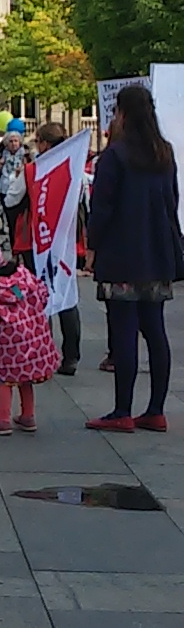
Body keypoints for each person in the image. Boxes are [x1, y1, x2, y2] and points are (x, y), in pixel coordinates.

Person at [85, 84, 179, 433]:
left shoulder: (116, 155)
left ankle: (122, 410)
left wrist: (92, 248)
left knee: (122, 328)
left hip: (122, 253)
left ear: (122, 114)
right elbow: (173, 202)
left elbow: (102, 208)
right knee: (155, 329)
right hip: (157, 253)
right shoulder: (164, 153)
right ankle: (155, 409)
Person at [5, 122, 82, 375]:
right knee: (66, 294)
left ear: (46, 144)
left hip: (35, 240)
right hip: (65, 239)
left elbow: (11, 198)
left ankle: (44, 353)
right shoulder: (74, 167)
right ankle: (71, 356)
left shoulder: (32, 171)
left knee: (39, 295)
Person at [0, 239, 60, 436]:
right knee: (25, 377)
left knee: (5, 380)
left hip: (7, 342)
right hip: (33, 335)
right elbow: (42, 294)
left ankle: (3, 420)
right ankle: (28, 416)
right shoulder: (22, 275)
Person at [0, 131, 31, 240]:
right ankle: (14, 250)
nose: (13, 143)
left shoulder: (25, 155)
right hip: (5, 189)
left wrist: (23, 168)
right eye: (11, 141)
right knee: (10, 222)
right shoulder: (2, 155)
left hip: (20, 191)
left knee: (20, 223)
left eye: (16, 141)